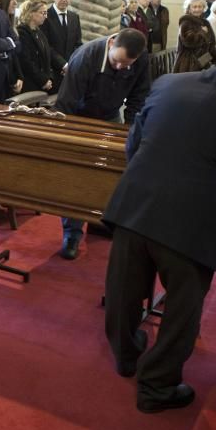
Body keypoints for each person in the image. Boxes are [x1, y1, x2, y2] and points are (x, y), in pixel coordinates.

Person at [103, 28, 216, 413]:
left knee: (123, 290)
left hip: (135, 204)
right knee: (181, 312)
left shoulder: (169, 83)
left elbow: (133, 144)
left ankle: (124, 355)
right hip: (195, 222)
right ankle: (156, 388)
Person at [54, 28, 151, 260]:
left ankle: (100, 219)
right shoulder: (85, 57)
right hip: (81, 117)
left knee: (110, 171)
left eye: (126, 64)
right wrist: (68, 140)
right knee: (79, 176)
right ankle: (72, 232)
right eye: (117, 62)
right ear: (111, 45)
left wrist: (129, 130)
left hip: (110, 116)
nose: (120, 67)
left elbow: (140, 95)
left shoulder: (140, 57)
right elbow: (65, 103)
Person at [16, 0, 66, 94]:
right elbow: (26, 62)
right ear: (31, 13)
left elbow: (47, 57)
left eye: (46, 13)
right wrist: (43, 80)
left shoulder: (39, 32)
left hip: (43, 84)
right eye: (43, 13)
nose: (46, 16)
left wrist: (49, 78)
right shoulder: (22, 32)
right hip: (30, 84)